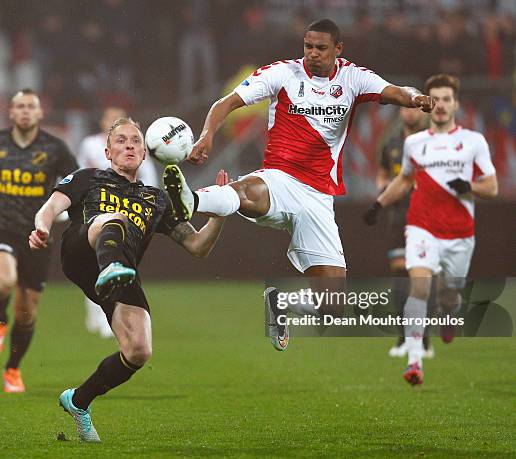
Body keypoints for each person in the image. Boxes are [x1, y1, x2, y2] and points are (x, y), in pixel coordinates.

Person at [163, 18, 434, 352]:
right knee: (247, 191)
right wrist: (207, 135)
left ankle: (282, 303)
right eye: (308, 46)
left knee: (333, 306)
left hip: (319, 196)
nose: (313, 54)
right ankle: (188, 200)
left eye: (321, 48)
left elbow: (396, 91)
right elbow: (227, 103)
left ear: (338, 49)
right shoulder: (283, 73)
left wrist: (416, 97)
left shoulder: (353, 77)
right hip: (279, 177)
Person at [29, 117, 227, 442]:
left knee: (138, 351)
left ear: (146, 153)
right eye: (121, 141)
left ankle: (78, 401)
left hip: (121, 272)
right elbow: (50, 207)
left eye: (135, 141)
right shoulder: (88, 178)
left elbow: (197, 246)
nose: (129, 146)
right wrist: (41, 228)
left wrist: (219, 214)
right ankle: (110, 269)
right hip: (81, 252)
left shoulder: (156, 199)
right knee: (114, 218)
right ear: (107, 152)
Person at [363, 74, 498, 386]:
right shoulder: (414, 143)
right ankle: (414, 361)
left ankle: (449, 315)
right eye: (434, 99)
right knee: (420, 288)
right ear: (429, 104)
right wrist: (379, 204)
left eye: (446, 99)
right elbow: (404, 180)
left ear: (456, 104)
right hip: (421, 227)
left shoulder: (473, 141)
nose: (440, 105)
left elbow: (491, 186)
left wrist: (470, 187)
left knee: (450, 295)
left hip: (460, 232)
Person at [0, 89, 78, 393]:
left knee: (26, 314)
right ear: (11, 113)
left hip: (37, 235)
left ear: (40, 113)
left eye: (31, 106)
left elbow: (77, 183)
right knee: (1, 282)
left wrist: (69, 211)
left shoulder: (55, 148)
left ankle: (12, 369)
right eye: (20, 106)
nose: (25, 111)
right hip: (0, 227)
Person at [78, 106, 159, 338]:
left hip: (127, 209)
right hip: (97, 207)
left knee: (118, 263)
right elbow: (80, 171)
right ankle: (101, 315)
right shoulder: (90, 144)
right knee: (97, 262)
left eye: (118, 118)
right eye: (109, 117)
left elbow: (150, 177)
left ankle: (108, 315)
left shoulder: (135, 148)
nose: (112, 121)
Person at [376, 107, 434, 359]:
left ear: (423, 113)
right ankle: (402, 337)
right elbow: (382, 174)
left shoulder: (433, 140)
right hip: (398, 218)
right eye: (406, 107)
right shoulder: (390, 143)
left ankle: (424, 340)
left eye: (415, 108)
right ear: (400, 112)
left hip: (429, 219)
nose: (410, 112)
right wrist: (384, 186)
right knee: (400, 277)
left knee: (422, 279)